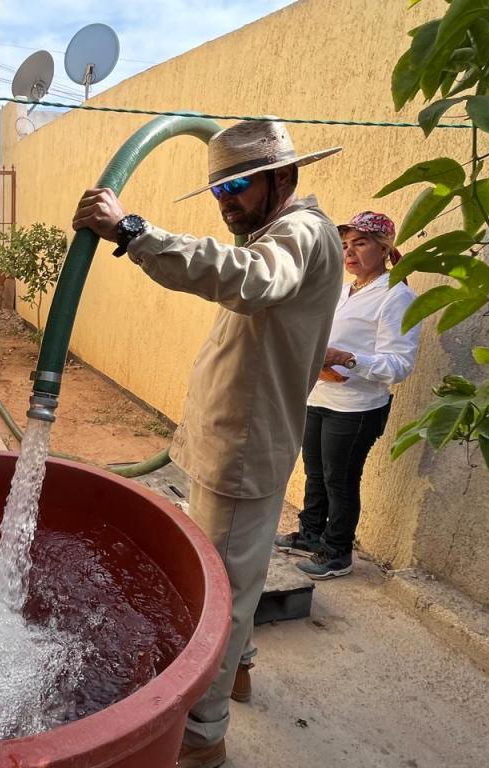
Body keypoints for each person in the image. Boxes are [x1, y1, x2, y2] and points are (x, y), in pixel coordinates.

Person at [72, 119, 343, 768]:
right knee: (232, 579)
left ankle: (202, 736)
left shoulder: (298, 233)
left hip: (244, 450)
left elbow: (248, 280)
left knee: (215, 596)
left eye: (241, 184)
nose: (227, 199)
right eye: (219, 186)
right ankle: (240, 669)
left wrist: (131, 231)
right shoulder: (276, 232)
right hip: (238, 443)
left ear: (285, 178)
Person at [275, 212, 421, 579]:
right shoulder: (342, 290)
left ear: (384, 248)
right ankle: (310, 534)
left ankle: (337, 552)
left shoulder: (397, 297)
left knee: (340, 480)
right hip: (320, 395)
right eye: (344, 245)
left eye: (360, 243)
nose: (349, 252)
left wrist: (347, 358)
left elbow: (399, 365)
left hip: (357, 407)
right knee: (316, 473)